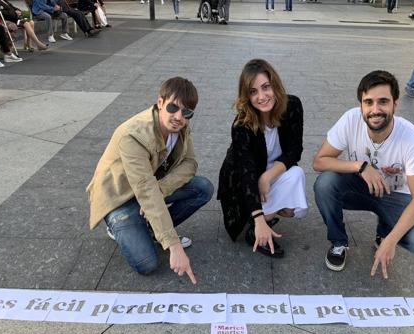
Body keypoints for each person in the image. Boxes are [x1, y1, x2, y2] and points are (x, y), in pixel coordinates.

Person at [87, 77, 213, 283]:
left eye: (186, 112)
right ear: (160, 102)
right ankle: (117, 225)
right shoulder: (133, 135)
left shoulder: (181, 126)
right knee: (147, 264)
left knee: (203, 188)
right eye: (173, 107)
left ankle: (154, 229)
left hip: (150, 188)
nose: (178, 117)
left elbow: (190, 163)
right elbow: (145, 189)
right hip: (120, 198)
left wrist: (162, 188)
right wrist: (173, 245)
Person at [313, 70, 414, 279]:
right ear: (361, 105)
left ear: (395, 104)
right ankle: (339, 242)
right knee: (325, 183)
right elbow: (319, 161)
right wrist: (361, 166)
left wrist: (391, 240)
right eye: (368, 102)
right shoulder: (350, 120)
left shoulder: (411, 138)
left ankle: (385, 230)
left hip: (395, 196)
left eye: (383, 101)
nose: (375, 110)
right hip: (359, 188)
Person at [218, 59, 307, 258]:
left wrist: (268, 177)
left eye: (266, 87)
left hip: (269, 171)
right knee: (261, 211)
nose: (261, 96)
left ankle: (267, 214)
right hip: (241, 181)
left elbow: (295, 150)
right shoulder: (242, 124)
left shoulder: (292, 106)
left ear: (275, 84)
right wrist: (258, 219)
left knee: (297, 175)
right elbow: (245, 173)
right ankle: (255, 229)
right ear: (246, 96)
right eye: (253, 91)